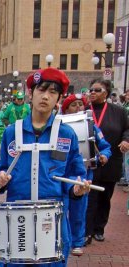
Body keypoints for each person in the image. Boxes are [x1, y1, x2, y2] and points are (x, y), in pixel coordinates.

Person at [0, 68, 90, 267]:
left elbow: (75, 174)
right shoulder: (12, 132)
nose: (45, 96)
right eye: (41, 90)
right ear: (31, 93)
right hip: (17, 218)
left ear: (59, 98)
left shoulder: (67, 134)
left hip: (52, 220)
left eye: (53, 92)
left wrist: (77, 189)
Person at [61, 93, 111, 256]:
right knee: (62, 207)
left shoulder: (91, 126)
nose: (78, 108)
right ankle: (62, 240)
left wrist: (104, 155)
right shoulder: (59, 125)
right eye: (73, 105)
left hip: (83, 172)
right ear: (66, 109)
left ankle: (77, 241)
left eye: (80, 104)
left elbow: (105, 146)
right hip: (64, 173)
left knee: (79, 209)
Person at [85, 79, 129, 244]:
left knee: (105, 197)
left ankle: (99, 229)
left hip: (111, 161)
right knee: (90, 197)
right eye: (91, 90)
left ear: (106, 93)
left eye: (97, 90)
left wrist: (126, 140)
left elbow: (127, 129)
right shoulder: (84, 111)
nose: (92, 93)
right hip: (89, 161)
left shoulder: (118, 111)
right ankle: (86, 232)